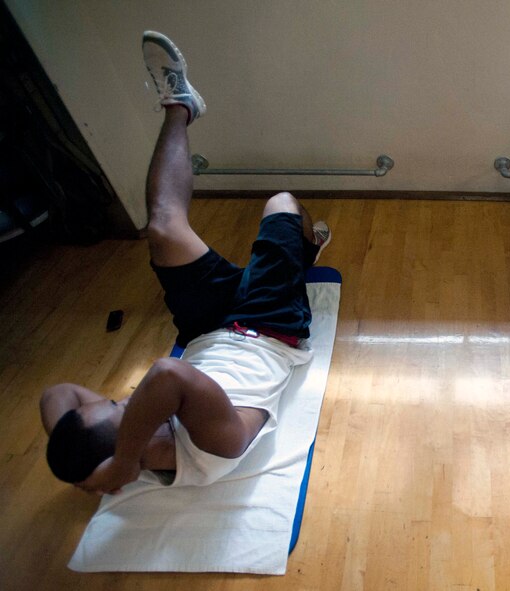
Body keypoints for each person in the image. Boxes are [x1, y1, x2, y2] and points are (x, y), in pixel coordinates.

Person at [40, 31, 331, 494]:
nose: (123, 401)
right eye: (119, 408)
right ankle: (305, 251)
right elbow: (167, 374)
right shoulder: (213, 447)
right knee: (281, 203)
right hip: (269, 327)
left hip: (205, 328)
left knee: (162, 229)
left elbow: (56, 395)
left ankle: (180, 103)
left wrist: (93, 473)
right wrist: (121, 466)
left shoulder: (125, 433)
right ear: (130, 447)